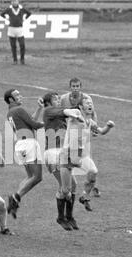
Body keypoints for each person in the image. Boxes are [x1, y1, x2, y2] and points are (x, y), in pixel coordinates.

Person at [61, 97, 114, 212]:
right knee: (66, 191)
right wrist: (73, 114)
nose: (90, 105)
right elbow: (65, 112)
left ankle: (84, 196)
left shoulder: (90, 122)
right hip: (69, 155)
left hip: (82, 156)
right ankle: (65, 213)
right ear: (81, 106)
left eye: (91, 103)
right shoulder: (76, 115)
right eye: (87, 103)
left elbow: (101, 131)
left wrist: (108, 127)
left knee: (93, 172)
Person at [41, 92, 85, 230]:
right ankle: (61, 217)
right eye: (55, 98)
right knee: (64, 187)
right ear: (48, 102)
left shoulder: (58, 115)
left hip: (62, 153)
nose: (59, 100)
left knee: (73, 185)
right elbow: (65, 111)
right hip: (53, 154)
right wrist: (74, 113)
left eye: (59, 98)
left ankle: (69, 216)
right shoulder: (49, 110)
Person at [5, 88, 44, 219]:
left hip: (20, 146)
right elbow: (35, 125)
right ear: (11, 99)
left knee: (30, 177)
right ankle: (15, 197)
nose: (20, 96)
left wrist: (39, 109)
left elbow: (29, 121)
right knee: (37, 177)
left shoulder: (11, 112)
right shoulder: (19, 110)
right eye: (17, 95)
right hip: (29, 144)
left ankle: (15, 199)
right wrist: (52, 122)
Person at [60, 77, 101, 199]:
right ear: (70, 87)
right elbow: (61, 111)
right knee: (72, 160)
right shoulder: (64, 99)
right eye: (73, 86)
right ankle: (68, 187)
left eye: (77, 86)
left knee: (86, 160)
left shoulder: (86, 98)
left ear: (80, 87)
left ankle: (92, 187)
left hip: (82, 132)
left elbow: (93, 113)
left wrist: (94, 128)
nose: (75, 88)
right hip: (70, 130)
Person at [0, 0, 31, 65]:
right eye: (13, 1)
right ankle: (15, 60)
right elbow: (2, 14)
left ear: (18, 2)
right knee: (13, 46)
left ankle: (22, 59)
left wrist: (24, 19)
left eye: (16, 1)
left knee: (22, 45)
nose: (14, 2)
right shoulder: (9, 9)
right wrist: (7, 18)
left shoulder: (21, 8)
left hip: (20, 29)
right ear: (11, 2)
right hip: (11, 29)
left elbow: (29, 13)